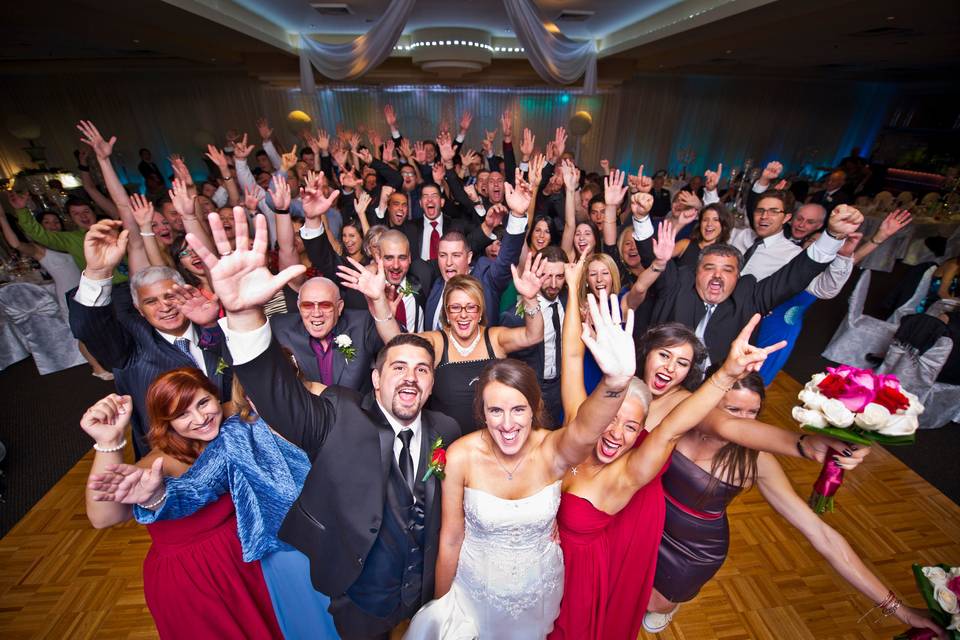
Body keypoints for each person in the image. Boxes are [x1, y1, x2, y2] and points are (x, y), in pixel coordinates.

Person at [185, 208, 462, 639]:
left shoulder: (446, 429)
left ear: (432, 383)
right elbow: (279, 399)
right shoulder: (341, 416)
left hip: (423, 588)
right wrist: (242, 317)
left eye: (422, 370)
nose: (410, 377)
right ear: (374, 377)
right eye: (398, 367)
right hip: (359, 592)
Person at [405, 291, 637, 639]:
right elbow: (451, 539)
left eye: (518, 410)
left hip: (537, 594)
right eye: (495, 411)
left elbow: (586, 429)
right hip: (473, 593)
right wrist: (442, 605)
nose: (507, 424)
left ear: (534, 408)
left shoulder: (551, 450)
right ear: (482, 413)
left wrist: (614, 384)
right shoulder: (461, 457)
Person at [643, 373, 947, 638]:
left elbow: (822, 536)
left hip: (692, 551)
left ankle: (666, 605)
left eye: (753, 412)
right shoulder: (680, 417)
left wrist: (901, 610)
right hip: (644, 522)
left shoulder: (758, 461)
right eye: (733, 409)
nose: (742, 420)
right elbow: (722, 426)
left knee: (653, 604)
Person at [90, 375, 341, 640]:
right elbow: (103, 517)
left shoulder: (231, 427)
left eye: (203, 403)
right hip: (195, 578)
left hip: (249, 563)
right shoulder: (159, 463)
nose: (199, 419)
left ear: (215, 397)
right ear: (167, 423)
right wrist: (111, 446)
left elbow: (275, 390)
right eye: (182, 414)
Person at [68, 219, 232, 457]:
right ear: (138, 308)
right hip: (175, 462)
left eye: (170, 296)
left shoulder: (210, 327)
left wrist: (210, 325)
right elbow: (89, 327)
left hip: (235, 442)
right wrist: (98, 272)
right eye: (151, 301)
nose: (164, 307)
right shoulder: (131, 345)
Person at [341, 250, 547, 433]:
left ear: (480, 310)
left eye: (471, 307)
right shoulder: (437, 342)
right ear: (446, 313)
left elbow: (533, 335)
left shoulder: (495, 338)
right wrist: (379, 301)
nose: (463, 315)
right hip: (447, 443)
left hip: (495, 441)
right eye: (455, 308)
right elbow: (397, 342)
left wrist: (530, 298)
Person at [633, 203, 863, 366]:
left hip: (713, 390)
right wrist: (642, 218)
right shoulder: (678, 283)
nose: (717, 276)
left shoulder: (750, 295)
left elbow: (797, 273)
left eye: (727, 270)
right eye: (709, 268)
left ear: (738, 276)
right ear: (696, 272)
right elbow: (648, 256)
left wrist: (832, 235)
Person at [0, 205, 113, 379]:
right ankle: (97, 368)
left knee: (102, 327)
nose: (53, 226)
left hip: (91, 289)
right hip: (70, 295)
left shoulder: (72, 241)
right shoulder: (41, 250)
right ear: (40, 227)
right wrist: (2, 218)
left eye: (56, 222)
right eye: (47, 223)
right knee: (82, 334)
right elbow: (15, 243)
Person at [498, 245, 568, 426]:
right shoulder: (514, 317)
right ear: (537, 274)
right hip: (531, 390)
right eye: (547, 276)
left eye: (559, 277)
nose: (553, 284)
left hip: (563, 387)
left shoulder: (570, 304)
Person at [671, 203, 734, 269]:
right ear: (700, 224)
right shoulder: (685, 244)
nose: (709, 224)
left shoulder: (726, 256)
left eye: (715, 220)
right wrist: (679, 224)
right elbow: (661, 255)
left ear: (723, 225)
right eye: (705, 220)